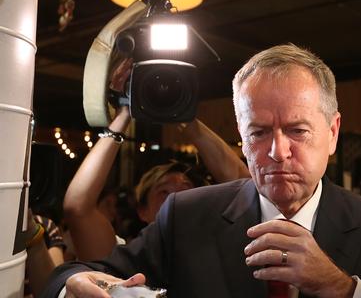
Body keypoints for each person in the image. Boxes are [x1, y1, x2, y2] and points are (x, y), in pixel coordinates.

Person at [36, 44, 361, 298]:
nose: (278, 151)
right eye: (259, 133)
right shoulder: (188, 215)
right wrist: (67, 294)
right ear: (241, 138)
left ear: (333, 132)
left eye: (297, 130)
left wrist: (340, 290)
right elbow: (86, 274)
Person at [63, 104, 250, 262]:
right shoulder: (129, 259)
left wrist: (185, 116)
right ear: (142, 211)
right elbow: (77, 207)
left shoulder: (220, 249)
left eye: (186, 192)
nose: (176, 200)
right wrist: (126, 112)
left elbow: (245, 185)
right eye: (164, 193)